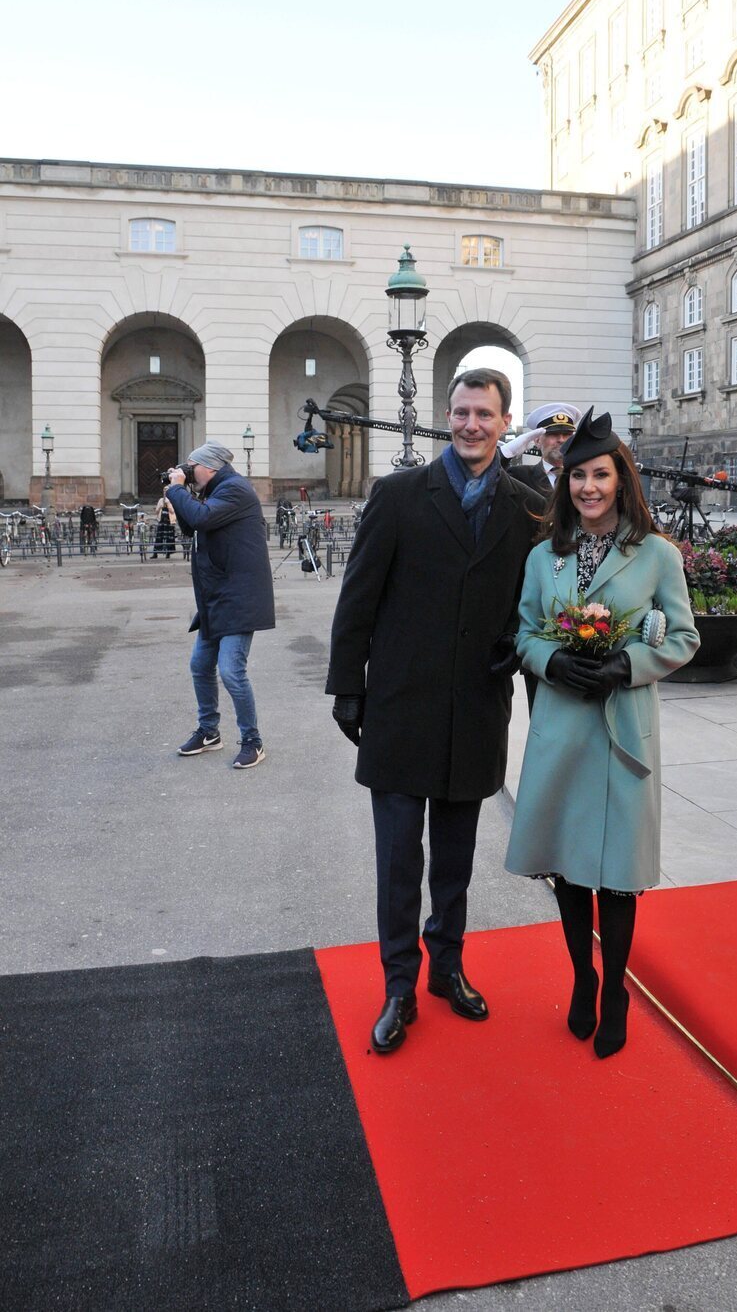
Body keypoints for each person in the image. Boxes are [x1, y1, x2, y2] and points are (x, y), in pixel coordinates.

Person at [325, 368, 544, 1055]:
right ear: (444, 418)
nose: (471, 424)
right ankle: (399, 985)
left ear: (506, 423)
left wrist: (519, 655)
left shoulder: (528, 505)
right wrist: (347, 686)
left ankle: (447, 967)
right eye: (460, 412)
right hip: (400, 705)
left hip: (476, 705)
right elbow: (358, 598)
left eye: (484, 413)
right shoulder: (397, 496)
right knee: (398, 859)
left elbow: (532, 604)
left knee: (453, 858)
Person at [505, 408, 700, 1058]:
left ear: (621, 480)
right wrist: (551, 660)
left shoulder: (657, 555)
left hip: (621, 732)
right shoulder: (544, 557)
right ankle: (583, 977)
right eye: (577, 475)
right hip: (562, 728)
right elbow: (526, 631)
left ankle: (616, 985)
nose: (588, 486)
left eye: (600, 474)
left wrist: (628, 664)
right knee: (569, 870)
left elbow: (683, 636)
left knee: (616, 874)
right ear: (565, 483)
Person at [166, 441, 275, 770]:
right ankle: (210, 732)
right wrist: (181, 495)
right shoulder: (217, 490)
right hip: (217, 599)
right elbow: (195, 525)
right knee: (200, 666)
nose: (188, 473)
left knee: (231, 671)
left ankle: (253, 741)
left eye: (191, 466)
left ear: (209, 467)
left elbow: (200, 517)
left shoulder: (236, 490)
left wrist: (176, 490)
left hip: (239, 599)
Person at [503, 403, 581, 496]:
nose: (561, 439)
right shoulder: (519, 476)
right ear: (537, 441)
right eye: (554, 434)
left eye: (567, 434)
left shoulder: (583, 475)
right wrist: (504, 454)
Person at [151, 493, 175, 559]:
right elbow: (156, 511)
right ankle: (155, 553)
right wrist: (160, 507)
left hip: (169, 522)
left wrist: (168, 504)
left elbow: (173, 511)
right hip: (161, 521)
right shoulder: (160, 500)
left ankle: (168, 553)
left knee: (168, 537)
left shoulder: (171, 501)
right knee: (159, 537)